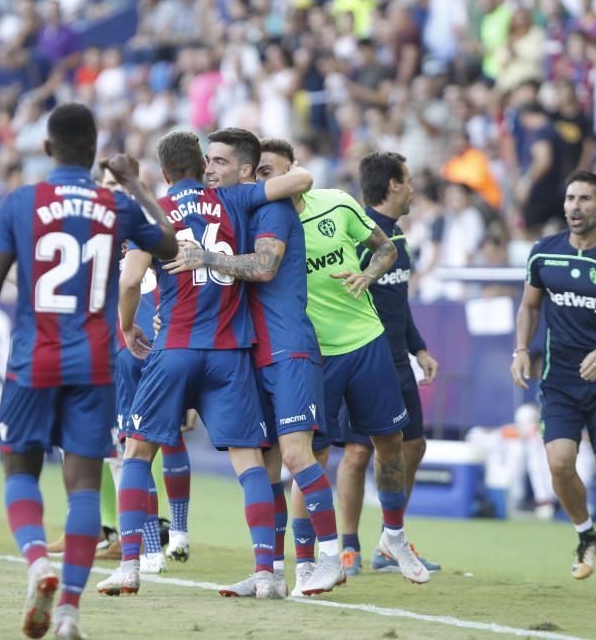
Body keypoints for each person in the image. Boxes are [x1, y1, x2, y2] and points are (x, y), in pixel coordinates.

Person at [0, 103, 177, 639]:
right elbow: (172, 245)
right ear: (94, 147)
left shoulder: (20, 201)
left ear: (45, 148)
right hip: (93, 362)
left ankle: (38, 563)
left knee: (20, 472)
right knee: (83, 485)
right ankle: (69, 615)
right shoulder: (114, 205)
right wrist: (137, 187)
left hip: (32, 358)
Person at [96, 129, 313, 600]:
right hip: (230, 354)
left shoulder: (154, 212)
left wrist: (127, 325)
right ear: (201, 165)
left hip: (173, 348)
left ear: (163, 172)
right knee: (251, 465)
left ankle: (131, 565)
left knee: (137, 453)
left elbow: (131, 280)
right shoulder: (233, 198)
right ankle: (264, 573)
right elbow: (297, 182)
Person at [0, 157, 196, 570]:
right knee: (109, 447)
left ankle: (146, 538)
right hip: (117, 347)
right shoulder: (103, 229)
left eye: (114, 184)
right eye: (104, 183)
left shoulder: (135, 224)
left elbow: (158, 273)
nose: (109, 190)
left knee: (131, 447)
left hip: (142, 344)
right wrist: (1, 266)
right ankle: (115, 531)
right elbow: (58, 285)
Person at [163, 128, 343, 598]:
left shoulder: (271, 208)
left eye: (219, 162)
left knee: (297, 455)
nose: (209, 170)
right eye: (208, 161)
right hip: (250, 354)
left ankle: (330, 557)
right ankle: (270, 573)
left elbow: (263, 268)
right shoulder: (232, 211)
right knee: (263, 472)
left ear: (245, 170)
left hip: (287, 348)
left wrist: (202, 257)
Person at [255, 139, 430, 586]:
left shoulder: (336, 203)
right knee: (309, 457)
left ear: (294, 168)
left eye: (273, 169)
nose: (267, 179)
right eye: (259, 173)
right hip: (312, 356)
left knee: (390, 443)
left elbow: (384, 249)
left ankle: (393, 536)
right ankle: (308, 563)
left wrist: (367, 274)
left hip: (367, 342)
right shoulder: (259, 222)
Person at [511, 170, 596, 588]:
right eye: (571, 198)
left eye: (585, 199)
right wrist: (521, 350)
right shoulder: (543, 254)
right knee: (558, 463)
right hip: (559, 382)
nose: (575, 206)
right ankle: (586, 533)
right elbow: (529, 308)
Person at [331, 151, 442, 576]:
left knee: (413, 446)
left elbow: (399, 302)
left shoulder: (396, 237)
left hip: (399, 358)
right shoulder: (358, 236)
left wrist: (420, 349)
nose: (413, 187)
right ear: (393, 185)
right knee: (358, 452)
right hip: (366, 358)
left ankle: (388, 541)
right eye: (408, 180)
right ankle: (348, 547)